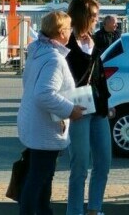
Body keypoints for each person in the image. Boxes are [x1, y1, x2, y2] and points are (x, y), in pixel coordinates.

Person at [17, 11, 84, 215]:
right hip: (45, 128)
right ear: (61, 32)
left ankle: (43, 212)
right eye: (69, 28)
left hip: (34, 123)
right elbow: (43, 94)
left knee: (39, 178)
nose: (71, 32)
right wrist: (70, 109)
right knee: (39, 179)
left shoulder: (38, 51)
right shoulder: (54, 59)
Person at [66, 0, 112, 215]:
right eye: (93, 16)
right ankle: (74, 211)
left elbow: (99, 76)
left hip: (98, 107)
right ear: (82, 17)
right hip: (77, 109)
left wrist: (107, 103)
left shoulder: (92, 41)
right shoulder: (66, 42)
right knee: (80, 165)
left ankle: (95, 209)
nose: (97, 20)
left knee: (103, 161)